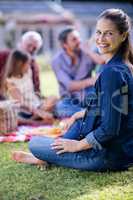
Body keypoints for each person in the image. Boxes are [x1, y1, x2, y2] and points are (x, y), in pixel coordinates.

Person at [12, 8, 133, 171]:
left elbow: (110, 129)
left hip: (107, 156)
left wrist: (77, 146)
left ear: (123, 35)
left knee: (35, 143)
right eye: (98, 32)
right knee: (76, 120)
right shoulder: (121, 66)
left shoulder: (112, 72)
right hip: (119, 149)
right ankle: (54, 151)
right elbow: (114, 108)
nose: (101, 38)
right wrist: (80, 113)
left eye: (108, 33)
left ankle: (44, 157)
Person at [52, 28, 104, 118]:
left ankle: (86, 114)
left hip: (89, 95)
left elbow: (103, 62)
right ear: (65, 45)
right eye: (74, 39)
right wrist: (91, 80)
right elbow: (69, 86)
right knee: (61, 107)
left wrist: (88, 51)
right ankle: (89, 114)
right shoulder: (57, 61)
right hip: (70, 99)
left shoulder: (87, 53)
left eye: (79, 38)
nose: (79, 41)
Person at [6, 50, 54, 124]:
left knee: (53, 98)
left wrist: (40, 109)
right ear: (20, 64)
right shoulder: (10, 81)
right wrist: (38, 112)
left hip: (36, 105)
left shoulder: (28, 72)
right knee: (14, 117)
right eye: (27, 63)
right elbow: (20, 103)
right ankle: (34, 121)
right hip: (22, 110)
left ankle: (35, 117)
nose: (29, 65)